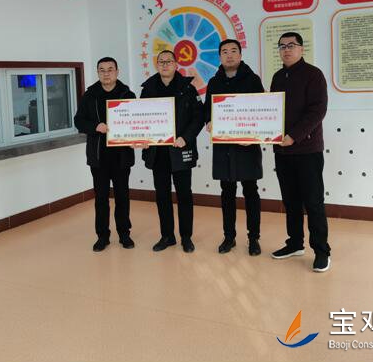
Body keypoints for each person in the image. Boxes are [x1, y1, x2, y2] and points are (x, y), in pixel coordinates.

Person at [269, 32, 331, 272]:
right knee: (291, 201)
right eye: (282, 46)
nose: (286, 49)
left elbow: (318, 110)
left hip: (307, 150)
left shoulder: (313, 74)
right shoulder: (277, 77)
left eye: (291, 45)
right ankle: (295, 244)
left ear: (301, 49)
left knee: (313, 202)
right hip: (282, 151)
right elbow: (271, 110)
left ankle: (322, 251)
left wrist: (294, 136)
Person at [204, 39, 264, 256]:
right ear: (219, 56)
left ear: (240, 54)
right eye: (224, 52)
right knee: (227, 192)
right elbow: (207, 110)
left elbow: (263, 111)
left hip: (247, 145)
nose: (229, 55)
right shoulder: (214, 82)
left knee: (251, 191)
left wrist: (254, 135)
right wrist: (209, 121)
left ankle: (254, 238)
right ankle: (229, 237)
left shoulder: (253, 80)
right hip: (224, 147)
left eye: (233, 51)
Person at [139, 50, 204, 253]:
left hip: (180, 148)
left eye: (169, 61)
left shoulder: (188, 88)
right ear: (157, 65)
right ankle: (167, 236)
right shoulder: (148, 89)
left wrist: (186, 138)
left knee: (184, 195)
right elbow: (140, 118)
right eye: (161, 62)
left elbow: (198, 117)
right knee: (162, 196)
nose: (165, 65)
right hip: (157, 153)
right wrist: (142, 138)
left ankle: (186, 237)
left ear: (176, 65)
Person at [74, 57, 136, 252]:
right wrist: (95, 126)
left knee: (122, 197)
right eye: (102, 70)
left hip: (122, 156)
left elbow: (136, 121)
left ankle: (124, 234)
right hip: (98, 157)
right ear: (98, 73)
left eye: (110, 69)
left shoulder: (128, 94)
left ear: (117, 72)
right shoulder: (90, 95)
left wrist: (139, 138)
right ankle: (102, 236)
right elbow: (78, 121)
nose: (106, 73)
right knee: (101, 198)